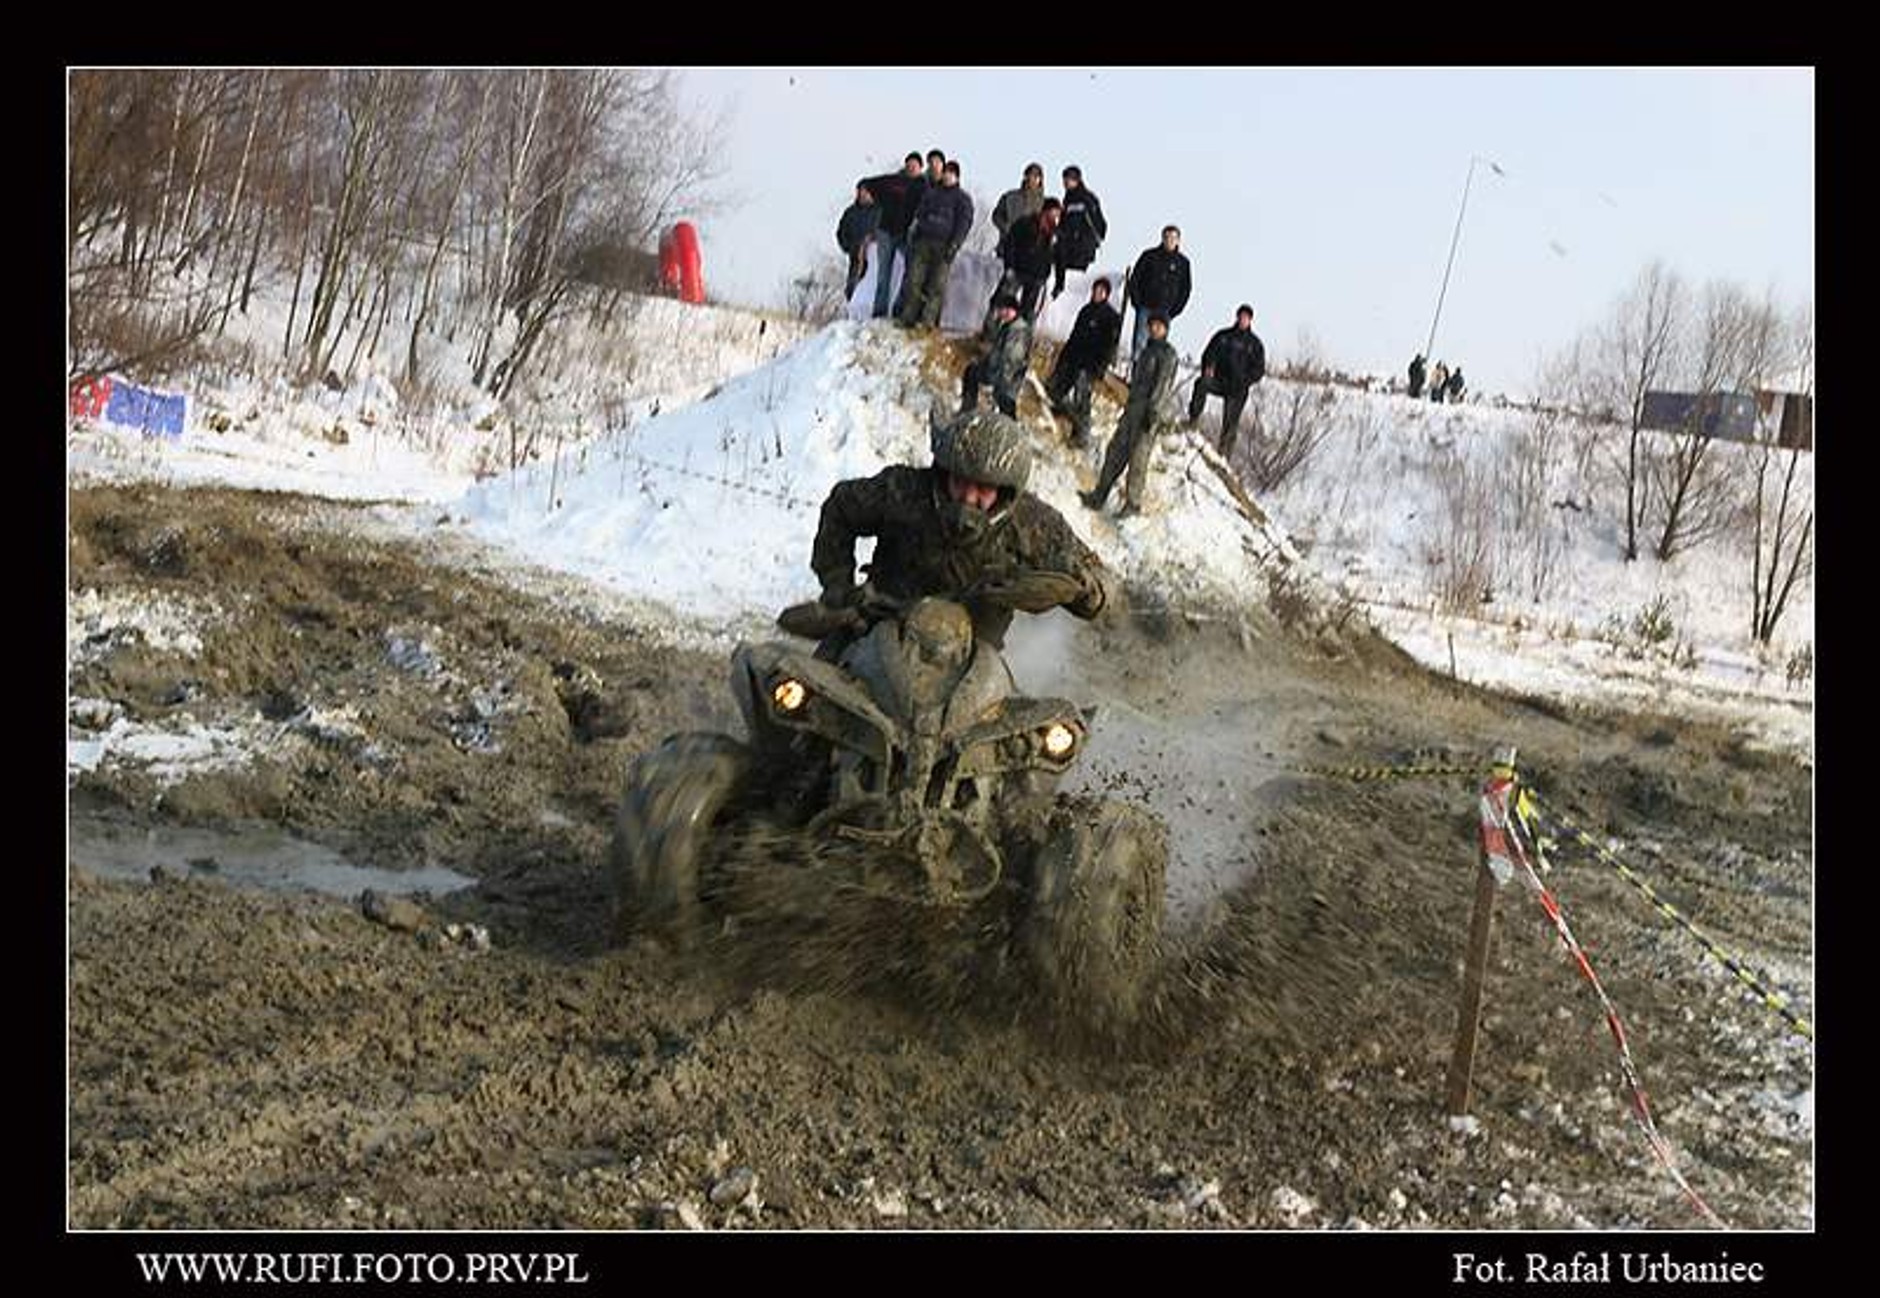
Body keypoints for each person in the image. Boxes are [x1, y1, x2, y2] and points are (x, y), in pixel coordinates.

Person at [811, 408, 1112, 652]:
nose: (968, 497)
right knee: (801, 694)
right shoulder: (901, 491)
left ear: (1006, 492)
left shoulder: (1034, 524)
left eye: (983, 488)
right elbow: (841, 507)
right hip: (878, 629)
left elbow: (1098, 581)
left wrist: (1082, 589)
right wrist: (838, 584)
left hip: (972, 659)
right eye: (960, 481)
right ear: (943, 473)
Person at [1081, 311, 1179, 518]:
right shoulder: (1146, 352)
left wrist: (1152, 413)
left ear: (1166, 329)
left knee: (1138, 460)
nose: (1154, 328)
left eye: (1159, 325)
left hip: (1147, 416)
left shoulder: (1168, 354)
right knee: (1115, 451)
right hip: (1132, 412)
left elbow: (1162, 387)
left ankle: (1133, 504)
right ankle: (1100, 495)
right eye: (1152, 325)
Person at [897, 160, 975, 330]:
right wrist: (915, 233)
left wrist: (955, 244)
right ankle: (908, 317)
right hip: (923, 242)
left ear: (956, 176)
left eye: (951, 173)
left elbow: (964, 223)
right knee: (914, 281)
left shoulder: (962, 199)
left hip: (945, 246)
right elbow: (919, 214)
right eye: (945, 172)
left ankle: (928, 321)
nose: (947, 176)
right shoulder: (931, 193)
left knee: (936, 286)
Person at [1045, 277, 1122, 448]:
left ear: (1107, 295)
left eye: (1102, 291)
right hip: (1073, 358)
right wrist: (1063, 358)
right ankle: (1066, 414)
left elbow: (1110, 347)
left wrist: (1100, 368)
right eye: (1096, 290)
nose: (1097, 294)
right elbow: (1073, 337)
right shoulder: (1085, 311)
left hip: (1090, 365)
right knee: (1053, 389)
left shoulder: (1111, 317)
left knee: (1082, 400)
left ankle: (1081, 433)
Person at [1187, 304, 1266, 458]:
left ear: (1250, 320)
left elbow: (1259, 370)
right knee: (1201, 383)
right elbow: (1209, 353)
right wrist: (1209, 367)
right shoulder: (1223, 336)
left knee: (1230, 425)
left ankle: (1223, 456)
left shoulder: (1254, 344)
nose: (1243, 320)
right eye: (1241, 316)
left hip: (1238, 388)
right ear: (1237, 317)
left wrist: (1245, 380)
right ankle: (1193, 421)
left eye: (1246, 318)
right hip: (1219, 380)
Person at [860, 153, 926, 319]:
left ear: (920, 168)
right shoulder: (892, 181)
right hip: (885, 231)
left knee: (911, 271)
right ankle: (879, 312)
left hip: (906, 234)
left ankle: (899, 309)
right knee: (883, 274)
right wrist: (866, 193)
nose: (912, 167)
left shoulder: (923, 186)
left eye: (915, 165)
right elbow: (867, 183)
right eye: (909, 164)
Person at [1124, 226, 1193, 366]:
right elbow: (1135, 279)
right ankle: (1135, 374)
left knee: (1157, 349)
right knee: (1140, 344)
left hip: (1165, 312)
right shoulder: (1149, 256)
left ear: (1178, 241)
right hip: (1146, 307)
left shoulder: (1183, 263)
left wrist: (1175, 310)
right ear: (1162, 238)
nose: (1169, 240)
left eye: (1173, 238)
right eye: (1167, 237)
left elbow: (1185, 290)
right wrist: (1137, 302)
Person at [961, 291, 1033, 418]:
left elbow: (1012, 360)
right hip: (996, 371)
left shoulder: (1019, 330)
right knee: (972, 371)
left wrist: (1000, 380)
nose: (999, 313)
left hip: (1007, 378)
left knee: (1005, 404)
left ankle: (1012, 432)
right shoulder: (1008, 326)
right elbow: (998, 353)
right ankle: (967, 411)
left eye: (1000, 310)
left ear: (1009, 310)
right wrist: (985, 362)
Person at [998, 197, 1060, 321]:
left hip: (1037, 276)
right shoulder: (1025, 223)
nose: (1055, 216)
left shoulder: (1056, 233)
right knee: (1002, 302)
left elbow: (1059, 258)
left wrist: (1059, 283)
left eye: (1057, 213)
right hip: (1017, 270)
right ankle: (992, 332)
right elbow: (1010, 244)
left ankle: (1023, 336)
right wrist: (1009, 266)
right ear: (1045, 211)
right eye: (1053, 212)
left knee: (1028, 310)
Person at [1052, 165, 1108, 297]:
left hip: (1082, 246)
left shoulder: (1087, 198)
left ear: (1077, 180)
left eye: (1069, 179)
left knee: (1075, 279)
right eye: (1064, 180)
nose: (1065, 183)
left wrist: (1092, 240)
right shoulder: (1067, 199)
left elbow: (1098, 223)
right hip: (1068, 244)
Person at [836, 181, 880, 301]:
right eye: (861, 191)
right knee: (853, 285)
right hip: (855, 255)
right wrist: (848, 247)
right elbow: (841, 232)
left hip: (874, 255)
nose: (863, 194)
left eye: (866, 191)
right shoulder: (850, 212)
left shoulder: (880, 210)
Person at [992, 162, 1047, 258]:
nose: (1033, 179)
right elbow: (996, 216)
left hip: (1033, 253)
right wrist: (1006, 227)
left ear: (1041, 180)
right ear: (1025, 177)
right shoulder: (1010, 197)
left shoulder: (1045, 203)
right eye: (1030, 175)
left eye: (1036, 177)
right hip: (1008, 247)